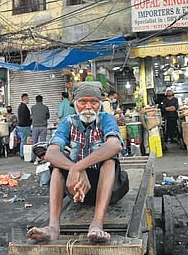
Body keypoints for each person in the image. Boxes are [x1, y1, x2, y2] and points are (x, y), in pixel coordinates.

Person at [26, 82, 129, 243]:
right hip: (76, 188)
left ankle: (97, 224)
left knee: (109, 162)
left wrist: (79, 167)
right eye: (83, 102)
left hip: (109, 188)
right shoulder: (68, 122)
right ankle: (53, 227)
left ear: (100, 104)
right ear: (75, 104)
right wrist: (75, 170)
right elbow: (51, 153)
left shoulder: (106, 119)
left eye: (93, 102)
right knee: (57, 168)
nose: (88, 107)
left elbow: (114, 145)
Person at [31, 95, 50, 163]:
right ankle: (43, 157)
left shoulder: (32, 107)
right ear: (42, 100)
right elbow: (48, 116)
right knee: (42, 143)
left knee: (34, 143)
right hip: (43, 126)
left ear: (36, 100)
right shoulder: (45, 107)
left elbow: (32, 115)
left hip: (35, 126)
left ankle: (33, 158)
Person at [17, 93, 32, 160]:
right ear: (25, 99)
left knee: (24, 140)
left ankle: (22, 153)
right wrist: (30, 118)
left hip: (22, 125)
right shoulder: (23, 107)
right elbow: (25, 117)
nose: (28, 100)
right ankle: (22, 154)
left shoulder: (21, 106)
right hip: (24, 126)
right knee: (24, 140)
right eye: (28, 98)